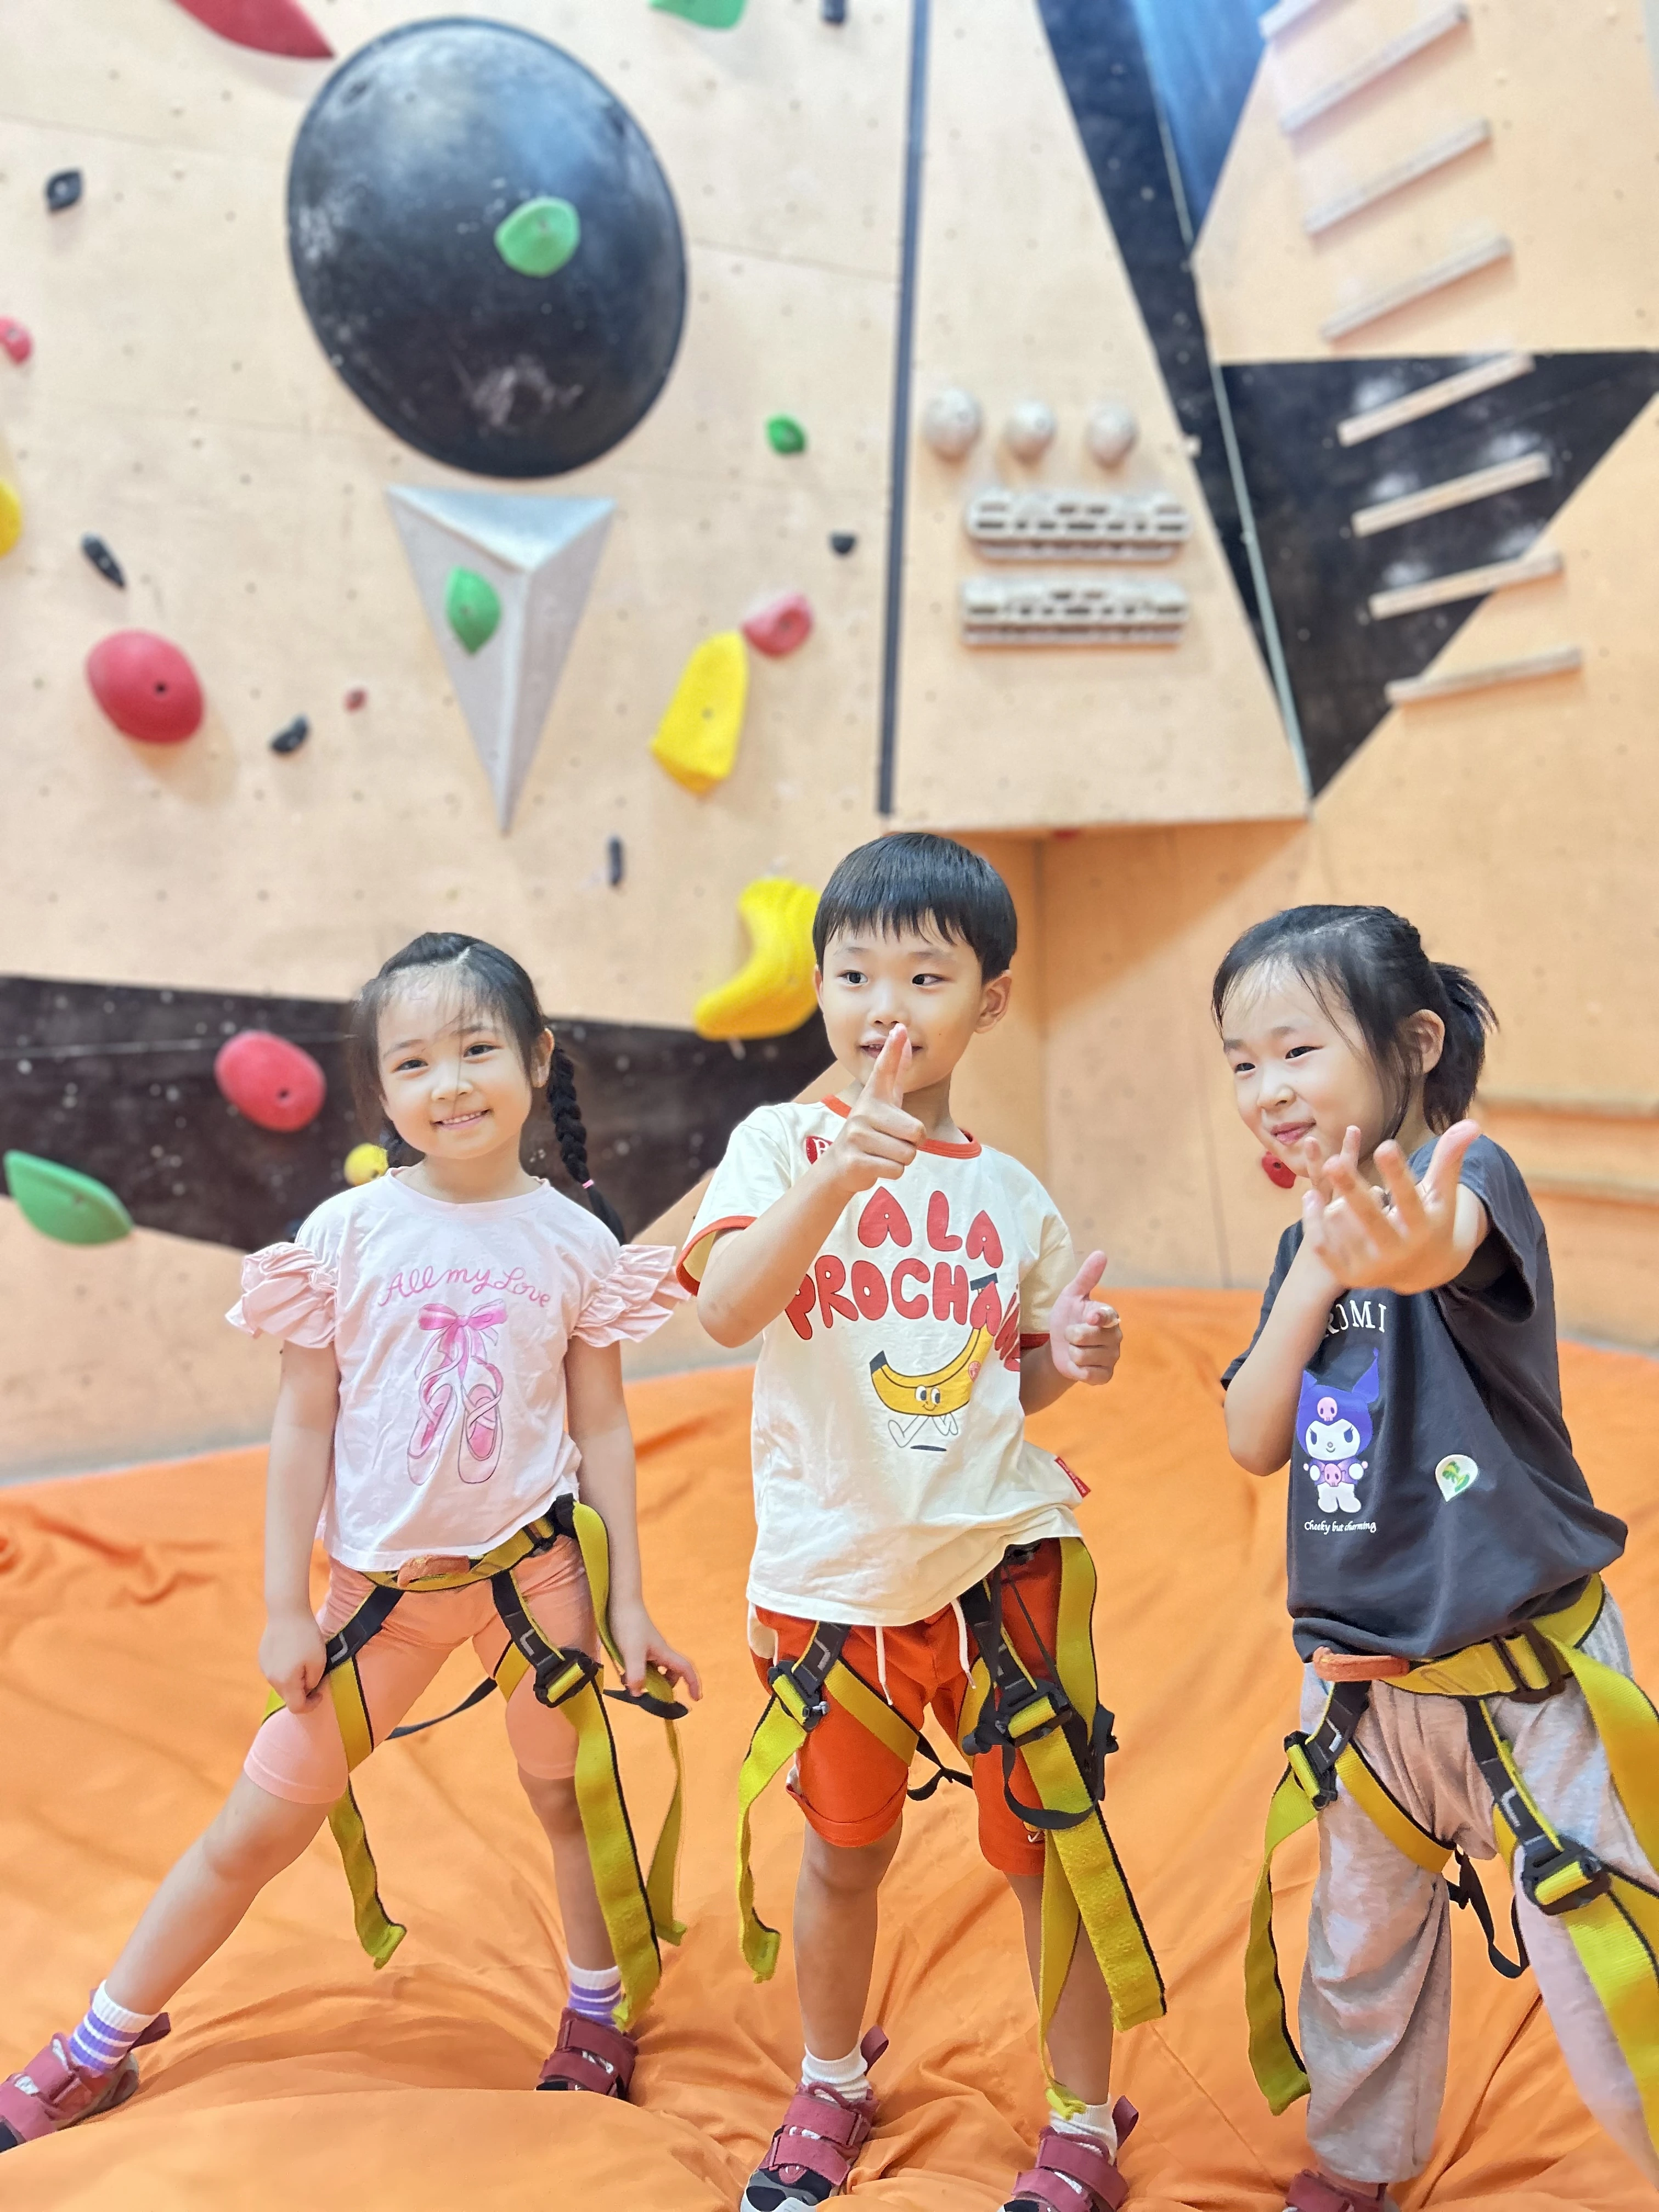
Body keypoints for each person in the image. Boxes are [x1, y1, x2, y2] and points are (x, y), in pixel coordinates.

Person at [0, 932, 699, 2154]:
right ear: (382, 1092)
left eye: (479, 1049)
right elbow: (302, 1420)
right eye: (415, 1063)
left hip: (537, 1585)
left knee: (567, 1802)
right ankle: (103, 2039)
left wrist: (626, 1600)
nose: (451, 1084)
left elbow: (602, 1425)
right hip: (378, 1600)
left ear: (537, 1060)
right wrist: (283, 1606)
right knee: (253, 1829)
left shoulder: (580, 1242)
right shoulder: (342, 1235)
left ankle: (596, 2014)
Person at [680, 833, 1163, 2212]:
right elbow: (723, 1311)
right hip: (833, 1577)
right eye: (852, 973)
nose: (884, 1002)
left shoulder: (1011, 1197)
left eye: (925, 972)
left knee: (1050, 1853)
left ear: (990, 1001)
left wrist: (1073, 1346)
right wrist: (836, 1176)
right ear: (820, 992)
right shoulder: (778, 1143)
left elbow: (1015, 1388)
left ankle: (1082, 2121)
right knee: (842, 1855)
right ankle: (830, 2081)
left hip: (1003, 1570)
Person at [1216, 903, 1659, 2212]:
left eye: (1296, 1050)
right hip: (1367, 1698)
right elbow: (1251, 1434)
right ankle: (1358, 2172)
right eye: (1241, 1063)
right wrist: (1315, 1264)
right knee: (1359, 1961)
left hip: (1532, 1690)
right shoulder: (1309, 1248)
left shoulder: (1475, 1182)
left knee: (1608, 1961)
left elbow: (1439, 1240)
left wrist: (1395, 1246)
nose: (1265, 1089)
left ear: (1414, 1042)